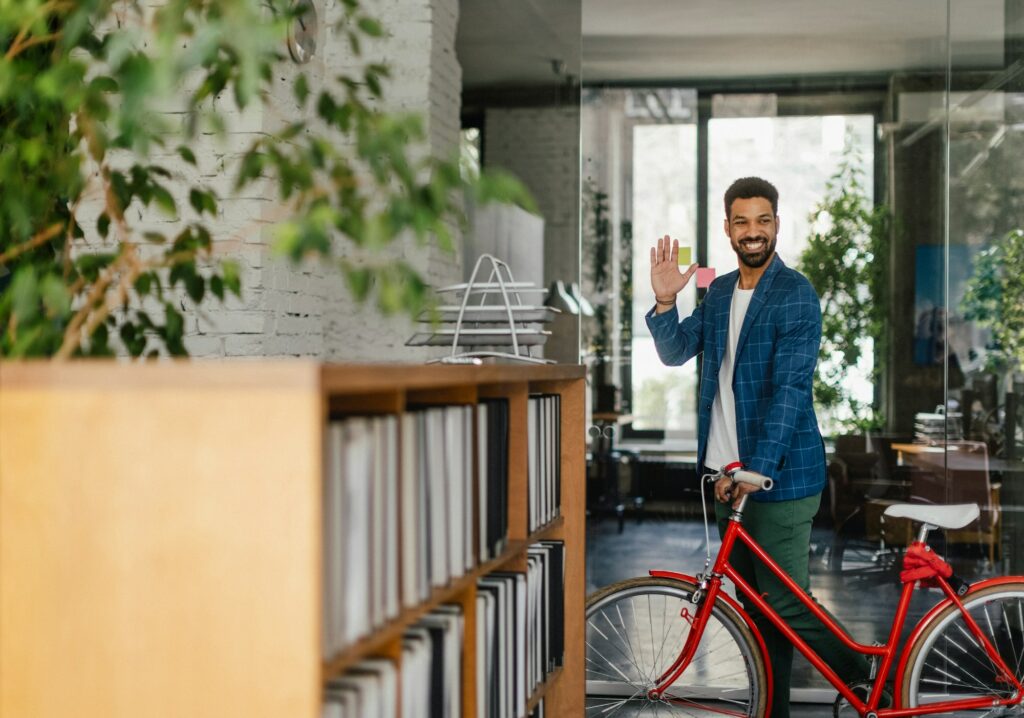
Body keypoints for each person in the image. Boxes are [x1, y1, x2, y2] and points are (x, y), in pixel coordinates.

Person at [646, 177, 871, 716]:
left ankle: (868, 675)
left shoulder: (795, 294)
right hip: (729, 475)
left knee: (784, 604)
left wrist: (755, 472)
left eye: (763, 221)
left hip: (780, 478)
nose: (753, 232)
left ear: (776, 224)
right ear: (727, 229)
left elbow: (789, 393)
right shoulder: (719, 290)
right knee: (756, 611)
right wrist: (663, 300)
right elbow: (677, 351)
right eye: (742, 222)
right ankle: (773, 711)